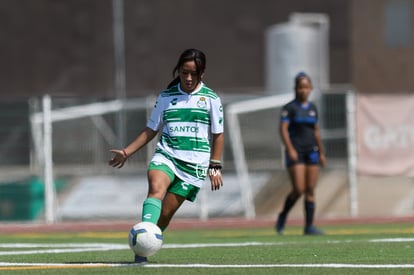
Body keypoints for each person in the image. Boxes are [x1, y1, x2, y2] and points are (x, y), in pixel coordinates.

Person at [109, 48, 224, 262]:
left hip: (194, 166)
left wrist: (214, 165)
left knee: (165, 214)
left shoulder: (211, 99)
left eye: (193, 73)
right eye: (184, 72)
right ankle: (140, 252)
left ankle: (146, 245)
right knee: (156, 189)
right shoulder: (166, 97)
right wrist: (126, 152)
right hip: (166, 155)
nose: (188, 78)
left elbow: (218, 135)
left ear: (202, 73)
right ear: (178, 71)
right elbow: (151, 129)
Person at [275, 72, 326, 235]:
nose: (303, 90)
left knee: (310, 189)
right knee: (299, 189)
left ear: (310, 89)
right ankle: (283, 215)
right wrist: (290, 149)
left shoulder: (312, 108)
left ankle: (309, 226)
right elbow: (283, 130)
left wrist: (322, 152)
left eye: (306, 87)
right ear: (295, 89)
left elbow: (316, 131)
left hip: (312, 151)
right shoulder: (289, 108)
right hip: (296, 151)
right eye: (300, 87)